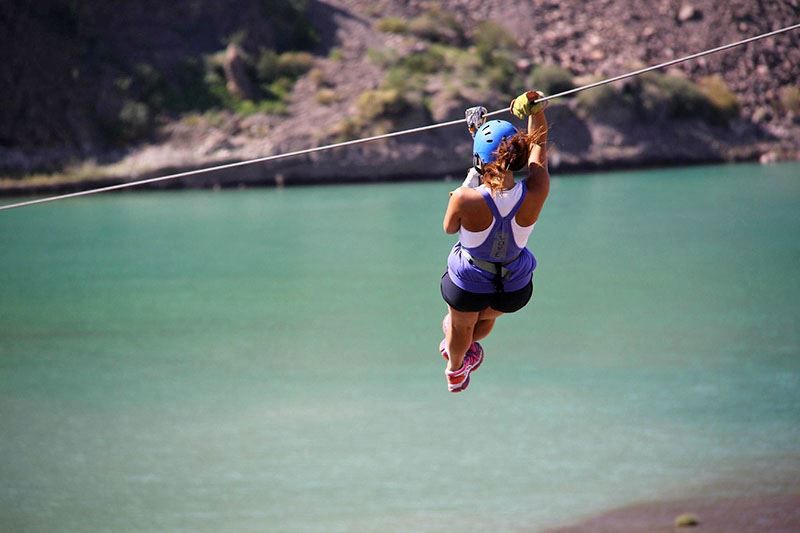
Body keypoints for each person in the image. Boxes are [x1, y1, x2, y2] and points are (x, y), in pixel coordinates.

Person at [438, 90, 550, 392]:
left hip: (470, 281)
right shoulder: (537, 191)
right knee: (481, 321)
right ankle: (467, 351)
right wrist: (535, 110)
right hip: (513, 287)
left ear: (478, 160)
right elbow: (538, 144)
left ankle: (456, 367)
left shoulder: (464, 198)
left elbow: (450, 227)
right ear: (520, 154)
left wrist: (472, 172)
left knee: (456, 325)